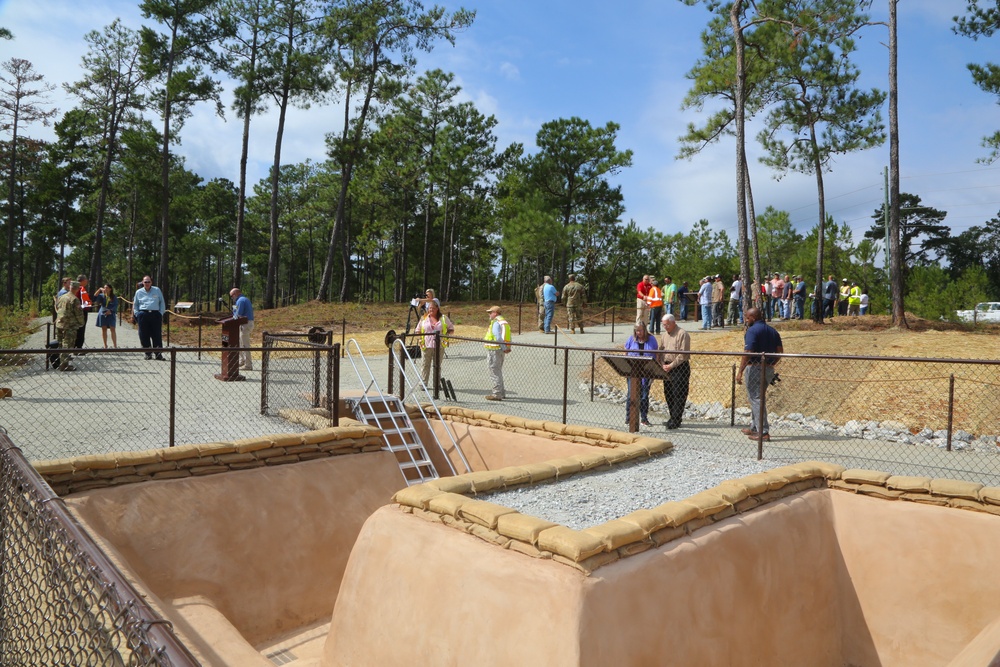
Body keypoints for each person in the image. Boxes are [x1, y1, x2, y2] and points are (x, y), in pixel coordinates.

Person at [736, 307, 783, 441]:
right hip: (768, 368)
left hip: (755, 367)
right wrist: (772, 364)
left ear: (753, 318)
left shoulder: (752, 330)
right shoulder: (773, 331)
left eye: (747, 317)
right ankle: (755, 426)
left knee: (756, 398)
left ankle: (763, 432)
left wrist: (740, 371)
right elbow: (780, 351)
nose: (746, 319)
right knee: (757, 397)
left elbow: (748, 352)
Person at [658, 314, 691, 429]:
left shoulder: (682, 334)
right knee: (668, 393)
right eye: (663, 325)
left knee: (679, 394)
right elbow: (660, 350)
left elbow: (683, 354)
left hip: (679, 367)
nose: (665, 327)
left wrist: (671, 365)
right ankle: (672, 417)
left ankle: (676, 419)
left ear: (673, 323)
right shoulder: (664, 335)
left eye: (666, 325)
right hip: (666, 367)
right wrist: (662, 363)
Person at [624, 322, 658, 427]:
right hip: (633, 372)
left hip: (647, 372)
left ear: (645, 330)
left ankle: (644, 418)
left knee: (644, 396)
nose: (638, 333)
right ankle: (629, 418)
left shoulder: (652, 339)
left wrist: (654, 372)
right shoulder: (631, 339)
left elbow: (656, 354)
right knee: (631, 395)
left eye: (640, 330)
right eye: (637, 331)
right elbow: (626, 352)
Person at [416, 300, 454, 387]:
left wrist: (445, 334)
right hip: (426, 345)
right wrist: (420, 339)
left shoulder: (444, 318)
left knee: (437, 366)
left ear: (437, 308)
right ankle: (423, 383)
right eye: (429, 308)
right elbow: (417, 330)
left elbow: (451, 329)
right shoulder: (423, 318)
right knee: (425, 364)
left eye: (433, 308)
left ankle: (436, 384)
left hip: (439, 346)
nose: (430, 310)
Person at [132, 275, 166, 360]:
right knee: (143, 334)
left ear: (151, 282)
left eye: (148, 282)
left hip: (155, 314)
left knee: (156, 334)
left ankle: (158, 354)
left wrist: (160, 313)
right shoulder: (139, 292)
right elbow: (135, 304)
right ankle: (147, 353)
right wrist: (137, 314)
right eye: (145, 282)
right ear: (142, 283)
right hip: (143, 314)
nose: (147, 283)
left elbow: (162, 302)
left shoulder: (157, 290)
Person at [54, 281, 84, 371]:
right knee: (67, 344)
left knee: (60, 344)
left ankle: (59, 362)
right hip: (69, 326)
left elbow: (58, 308)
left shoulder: (61, 297)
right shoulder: (74, 299)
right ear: (77, 289)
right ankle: (64, 365)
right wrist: (81, 323)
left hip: (59, 323)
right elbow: (78, 314)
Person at [483, 305, 511, 401]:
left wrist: (503, 347)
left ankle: (497, 394)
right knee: (498, 371)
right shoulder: (504, 322)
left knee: (494, 371)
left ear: (495, 313)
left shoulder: (496, 322)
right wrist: (506, 347)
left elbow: (498, 336)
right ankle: (501, 392)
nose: (489, 314)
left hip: (494, 349)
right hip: (500, 349)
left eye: (490, 312)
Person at [230, 287, 255, 370]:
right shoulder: (242, 300)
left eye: (232, 296)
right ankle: (242, 361)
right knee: (240, 343)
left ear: (235, 294)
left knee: (245, 345)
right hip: (245, 324)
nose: (232, 298)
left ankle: (248, 365)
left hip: (245, 324)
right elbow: (235, 313)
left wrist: (234, 312)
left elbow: (238, 314)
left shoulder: (240, 301)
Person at [93, 284, 118, 349]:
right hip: (103, 313)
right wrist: (99, 289)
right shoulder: (101, 296)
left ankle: (115, 345)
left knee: (112, 329)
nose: (105, 289)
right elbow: (94, 297)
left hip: (110, 313)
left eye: (107, 288)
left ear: (110, 289)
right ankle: (105, 345)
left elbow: (115, 305)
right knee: (104, 329)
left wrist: (111, 311)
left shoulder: (113, 297)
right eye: (104, 288)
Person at [75, 274, 92, 349]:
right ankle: (78, 347)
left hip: (80, 311)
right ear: (82, 281)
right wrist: (85, 307)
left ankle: (76, 346)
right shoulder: (80, 289)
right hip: (81, 312)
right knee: (81, 329)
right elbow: (81, 302)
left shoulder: (76, 288)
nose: (87, 281)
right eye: (86, 279)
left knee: (79, 329)